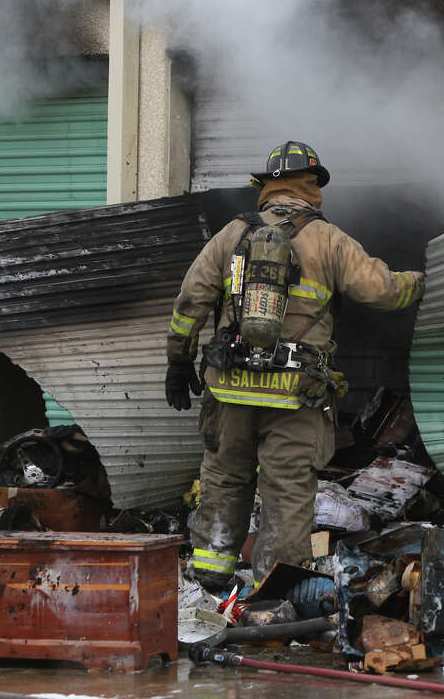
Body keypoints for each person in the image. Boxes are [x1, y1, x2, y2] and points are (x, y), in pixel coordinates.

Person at [165, 141, 425, 589]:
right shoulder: (328, 239)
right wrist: (423, 280)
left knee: (225, 479)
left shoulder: (232, 234)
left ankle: (210, 576)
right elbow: (381, 290)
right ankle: (271, 595)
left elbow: (191, 300)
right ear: (312, 186)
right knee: (286, 494)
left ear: (266, 187)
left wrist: (178, 360)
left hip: (228, 387)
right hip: (293, 393)